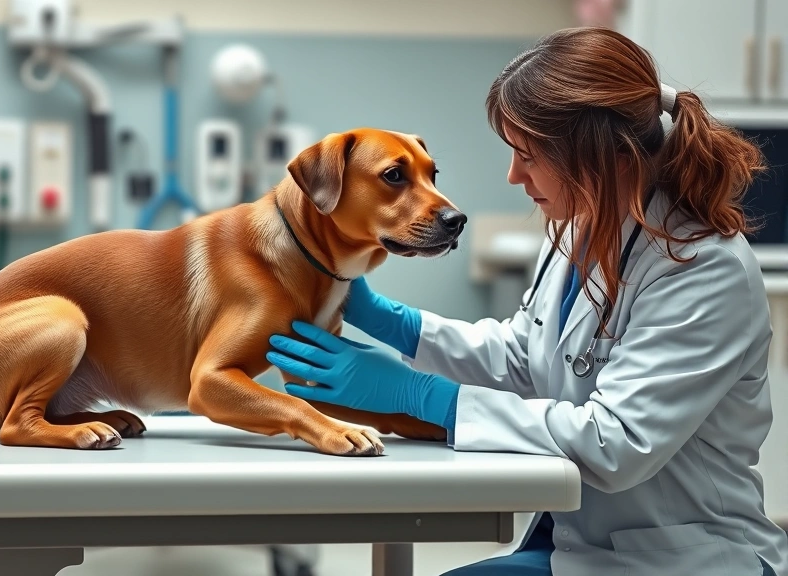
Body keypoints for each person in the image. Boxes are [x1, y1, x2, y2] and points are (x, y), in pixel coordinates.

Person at [266, 27, 788, 576]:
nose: (513, 176)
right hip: (582, 539)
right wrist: (396, 323)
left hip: (682, 557)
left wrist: (421, 395)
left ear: (603, 157)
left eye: (528, 156)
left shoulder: (704, 269)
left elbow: (617, 442)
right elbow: (525, 354)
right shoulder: (580, 227)